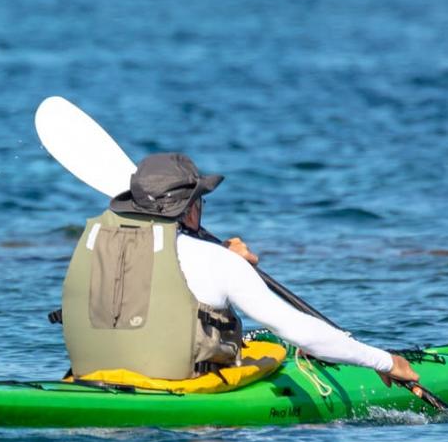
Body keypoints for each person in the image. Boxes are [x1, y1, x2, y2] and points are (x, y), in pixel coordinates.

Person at [61, 152, 417, 383]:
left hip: (93, 379)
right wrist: (385, 362)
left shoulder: (95, 248)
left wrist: (230, 262)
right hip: (182, 404)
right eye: (200, 200)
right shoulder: (217, 261)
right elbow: (300, 332)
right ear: (190, 208)